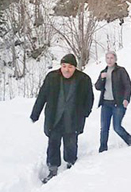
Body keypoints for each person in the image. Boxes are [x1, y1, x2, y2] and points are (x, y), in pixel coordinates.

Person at [30, 54, 94, 183]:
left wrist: (85, 113)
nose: (66, 69)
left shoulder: (84, 79)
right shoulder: (52, 77)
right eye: (64, 66)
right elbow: (42, 96)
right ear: (61, 66)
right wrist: (35, 114)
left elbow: (89, 98)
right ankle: (53, 169)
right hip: (55, 118)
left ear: (75, 68)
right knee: (53, 144)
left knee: (71, 143)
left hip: (73, 118)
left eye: (70, 67)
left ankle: (71, 164)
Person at [95, 51, 131, 153]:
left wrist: (126, 99)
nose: (109, 60)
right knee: (104, 128)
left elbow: (128, 86)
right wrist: (101, 78)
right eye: (107, 58)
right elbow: (97, 87)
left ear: (115, 59)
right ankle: (103, 148)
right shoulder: (103, 71)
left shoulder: (121, 71)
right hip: (105, 104)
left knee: (117, 127)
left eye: (111, 58)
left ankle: (130, 140)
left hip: (118, 103)